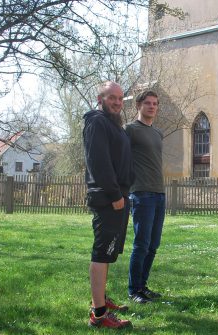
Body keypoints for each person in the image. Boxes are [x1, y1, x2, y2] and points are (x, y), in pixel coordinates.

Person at [83, 81, 134, 328]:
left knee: (108, 252)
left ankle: (101, 298)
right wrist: (115, 196)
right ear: (99, 98)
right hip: (107, 198)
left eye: (120, 98)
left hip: (118, 196)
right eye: (111, 97)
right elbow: (99, 163)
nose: (116, 102)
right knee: (101, 253)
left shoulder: (114, 125)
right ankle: (99, 314)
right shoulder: (96, 122)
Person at [125, 91, 165, 304]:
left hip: (159, 193)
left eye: (155, 104)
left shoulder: (158, 133)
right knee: (141, 244)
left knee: (153, 244)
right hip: (141, 193)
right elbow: (120, 159)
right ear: (138, 105)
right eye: (148, 103)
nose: (152, 106)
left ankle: (143, 286)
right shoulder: (129, 130)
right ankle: (133, 290)